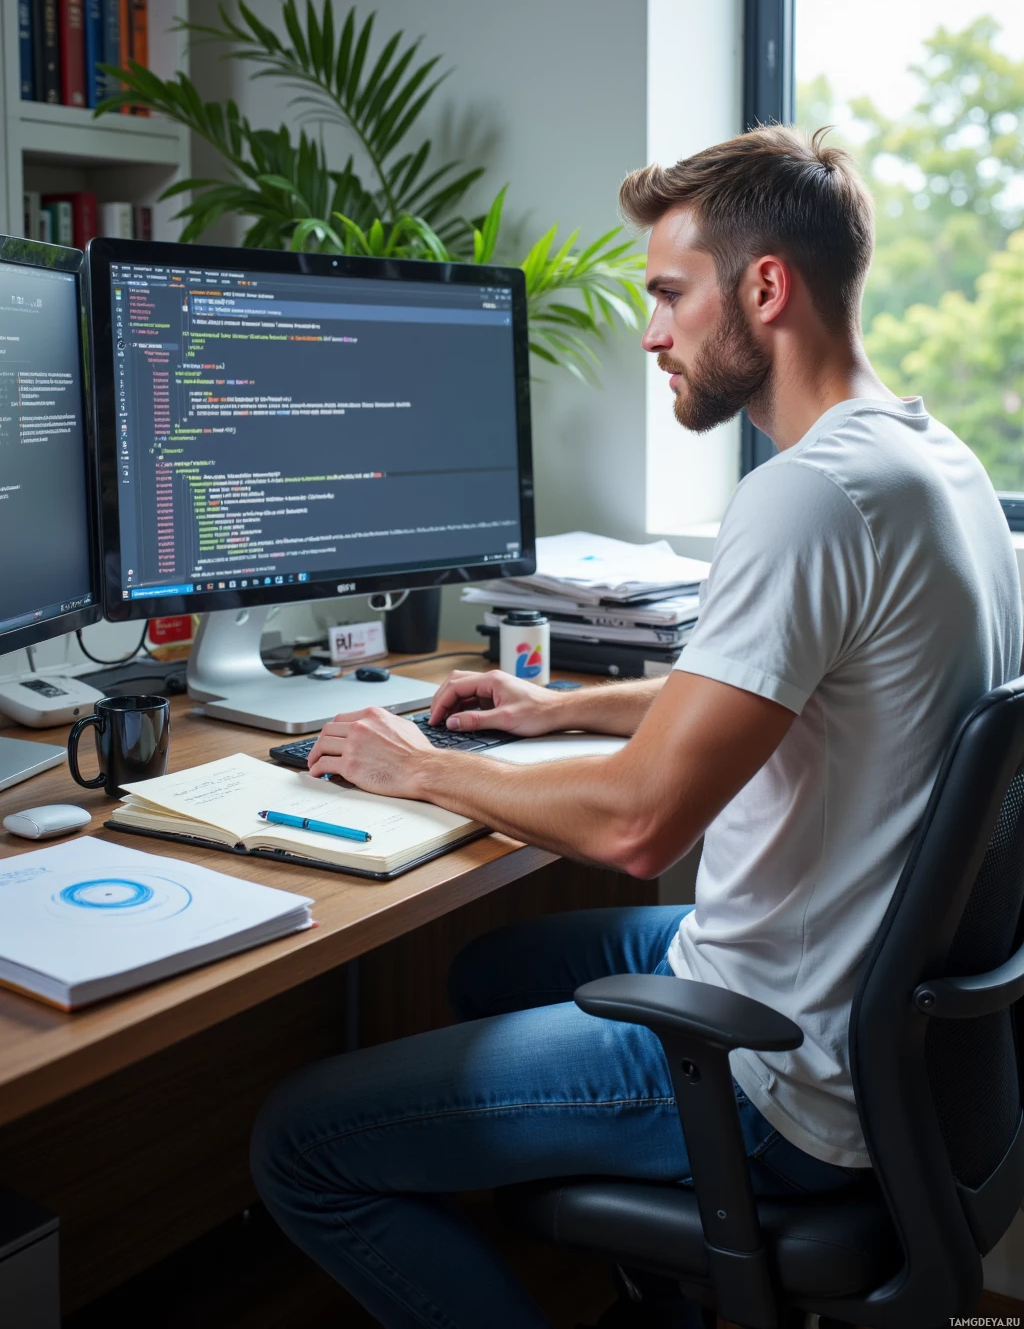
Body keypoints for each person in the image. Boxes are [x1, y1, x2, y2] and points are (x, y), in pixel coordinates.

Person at [250, 126, 1022, 1329]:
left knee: (298, 1145)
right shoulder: (930, 464)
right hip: (876, 1030)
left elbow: (637, 824)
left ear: (764, 288)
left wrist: (423, 770)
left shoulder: (805, 498)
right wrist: (561, 707)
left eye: (668, 294)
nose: (650, 332)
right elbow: (777, 685)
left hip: (782, 1068)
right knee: (487, 968)